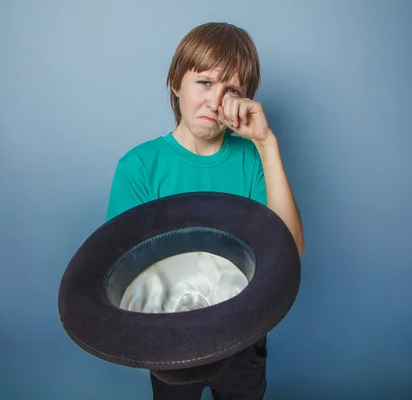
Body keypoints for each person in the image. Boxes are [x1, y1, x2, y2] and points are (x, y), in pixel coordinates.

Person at [105, 22, 305, 400]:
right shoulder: (139, 167)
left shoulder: (252, 159)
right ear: (176, 83)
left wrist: (266, 142)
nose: (216, 102)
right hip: (166, 338)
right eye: (205, 83)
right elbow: (120, 272)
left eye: (232, 90)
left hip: (243, 336)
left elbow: (290, 249)